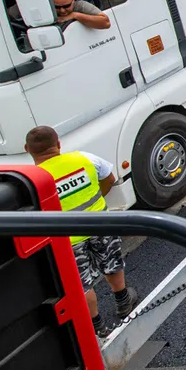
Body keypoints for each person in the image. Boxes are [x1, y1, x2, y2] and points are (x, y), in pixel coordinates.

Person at [25, 125, 138, 334]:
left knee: (82, 284)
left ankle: (97, 327)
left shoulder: (33, 179)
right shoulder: (83, 159)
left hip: (68, 239)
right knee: (111, 262)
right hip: (99, 224)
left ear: (27, 149)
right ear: (58, 144)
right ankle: (123, 302)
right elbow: (110, 179)